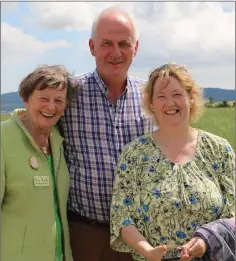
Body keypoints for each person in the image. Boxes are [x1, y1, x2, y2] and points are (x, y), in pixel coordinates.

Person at [110, 63, 235, 261]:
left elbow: (234, 213)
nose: (170, 102)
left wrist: (205, 240)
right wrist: (149, 252)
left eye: (177, 94)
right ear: (151, 104)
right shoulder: (134, 154)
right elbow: (122, 219)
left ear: (191, 98)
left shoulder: (219, 149)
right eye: (161, 96)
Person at [59, 5, 153, 261]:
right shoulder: (68, 94)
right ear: (92, 47)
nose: (115, 53)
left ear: (136, 48)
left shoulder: (152, 98)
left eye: (124, 43)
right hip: (82, 232)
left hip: (138, 235)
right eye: (106, 44)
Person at [1, 65, 78, 261]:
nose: (51, 107)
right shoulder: (3, 138)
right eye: (43, 98)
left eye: (58, 100)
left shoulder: (57, 139)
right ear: (26, 98)